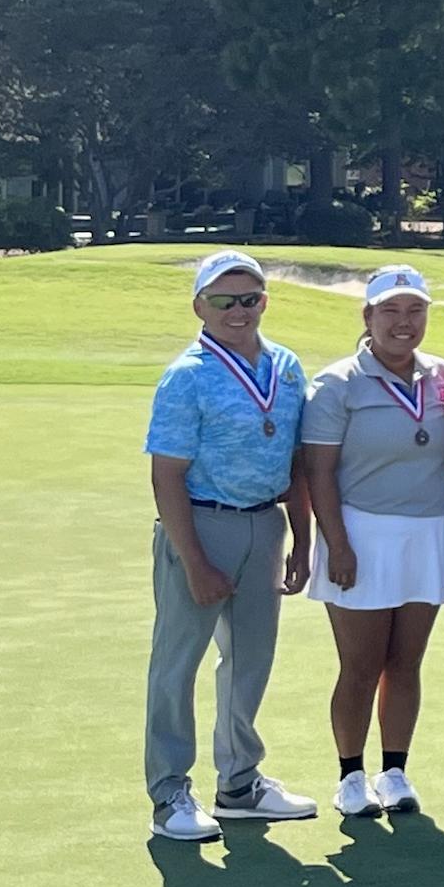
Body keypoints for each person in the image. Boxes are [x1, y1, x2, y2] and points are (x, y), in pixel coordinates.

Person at [143, 252, 316, 840]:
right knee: (178, 664)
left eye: (250, 299)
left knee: (249, 660)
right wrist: (195, 561)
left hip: (264, 524)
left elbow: (296, 459)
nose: (238, 311)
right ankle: (169, 794)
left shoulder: (287, 367)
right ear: (200, 307)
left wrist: (301, 536)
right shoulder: (186, 375)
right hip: (199, 523)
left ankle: (239, 784)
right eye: (223, 301)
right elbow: (167, 475)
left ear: (264, 302)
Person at [301, 264, 444, 819]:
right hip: (360, 534)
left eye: (415, 310)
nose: (403, 322)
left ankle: (395, 771)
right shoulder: (337, 384)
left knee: (406, 662)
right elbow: (318, 472)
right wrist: (336, 544)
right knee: (361, 665)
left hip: (427, 533)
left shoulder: (443, 377)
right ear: (367, 317)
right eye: (389, 310)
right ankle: (350, 775)